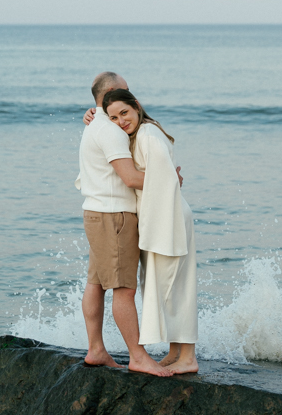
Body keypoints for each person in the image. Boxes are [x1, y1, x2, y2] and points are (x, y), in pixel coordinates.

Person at [76, 71, 173, 376]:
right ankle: (138, 356)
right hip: (114, 217)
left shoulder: (97, 125)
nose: (132, 97)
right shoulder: (110, 130)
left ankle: (96, 350)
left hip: (97, 213)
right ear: (109, 96)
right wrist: (172, 180)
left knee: (95, 283)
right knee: (123, 290)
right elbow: (131, 178)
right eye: (126, 92)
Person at [102, 88, 199, 374]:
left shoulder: (146, 134)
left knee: (176, 287)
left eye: (124, 113)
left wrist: (169, 179)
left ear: (137, 107)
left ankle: (189, 357)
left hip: (168, 217)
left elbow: (167, 178)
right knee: (165, 284)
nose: (121, 121)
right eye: (113, 117)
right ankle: (175, 351)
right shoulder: (140, 133)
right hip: (161, 216)